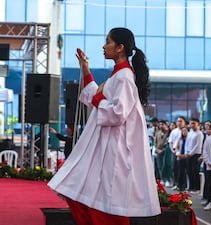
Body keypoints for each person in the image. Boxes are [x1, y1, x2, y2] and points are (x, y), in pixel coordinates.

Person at [48, 27, 160, 225]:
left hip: (113, 152)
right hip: (107, 147)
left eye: (108, 41)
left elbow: (118, 112)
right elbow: (97, 97)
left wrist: (99, 99)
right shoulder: (118, 75)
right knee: (85, 193)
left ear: (120, 47)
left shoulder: (124, 76)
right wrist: (85, 69)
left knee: (103, 202)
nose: (103, 45)